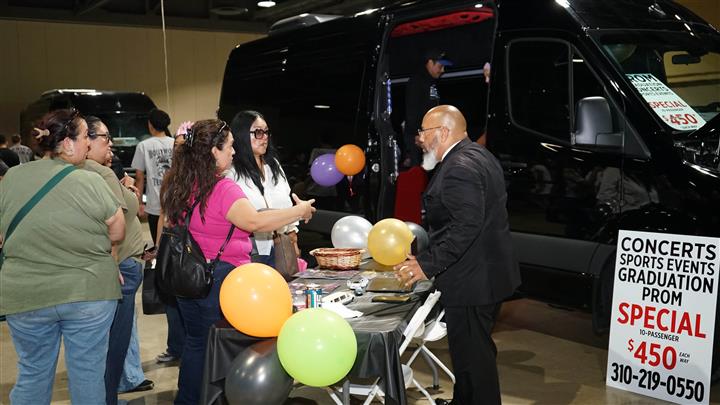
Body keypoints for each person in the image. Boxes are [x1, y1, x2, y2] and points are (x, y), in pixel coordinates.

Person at [159, 119, 315, 404]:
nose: (234, 152)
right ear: (213, 152)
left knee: (196, 344)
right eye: (229, 146)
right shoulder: (223, 189)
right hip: (220, 279)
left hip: (186, 276)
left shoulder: (178, 183)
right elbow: (255, 220)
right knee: (224, 349)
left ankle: (189, 399)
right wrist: (298, 210)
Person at [394, 105, 521, 405]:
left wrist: (426, 265)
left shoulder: (459, 168)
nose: (419, 139)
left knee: (475, 359)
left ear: (443, 132)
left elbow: (466, 227)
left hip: (473, 280)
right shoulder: (479, 155)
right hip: (485, 274)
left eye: (423, 132)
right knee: (468, 353)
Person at [0, 109, 125, 405]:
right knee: (87, 373)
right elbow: (117, 231)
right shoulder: (90, 181)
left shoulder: (11, 179)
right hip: (88, 292)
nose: (87, 144)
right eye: (84, 137)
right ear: (67, 143)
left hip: (25, 294)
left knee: (32, 371)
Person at [82, 116, 154, 403]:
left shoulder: (96, 172)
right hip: (120, 266)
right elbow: (119, 220)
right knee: (115, 345)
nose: (110, 143)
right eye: (105, 137)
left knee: (106, 344)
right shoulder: (100, 174)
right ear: (85, 139)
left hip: (119, 264)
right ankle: (109, 398)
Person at [130, 108, 183, 364]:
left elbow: (140, 176)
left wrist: (138, 202)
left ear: (151, 125)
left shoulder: (144, 145)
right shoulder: (176, 143)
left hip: (155, 207)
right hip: (169, 211)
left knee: (163, 257)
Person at [227, 110, 300, 265]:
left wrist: (293, 235)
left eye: (266, 132)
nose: (265, 137)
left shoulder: (272, 165)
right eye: (258, 132)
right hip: (249, 250)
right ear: (241, 135)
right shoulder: (231, 172)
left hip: (281, 245)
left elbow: (287, 201)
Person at [403, 49, 452, 168]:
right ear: (430, 63)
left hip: (431, 139)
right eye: (440, 66)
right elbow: (412, 111)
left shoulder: (432, 83)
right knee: (420, 177)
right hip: (419, 140)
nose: (443, 70)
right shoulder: (417, 82)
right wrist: (418, 135)